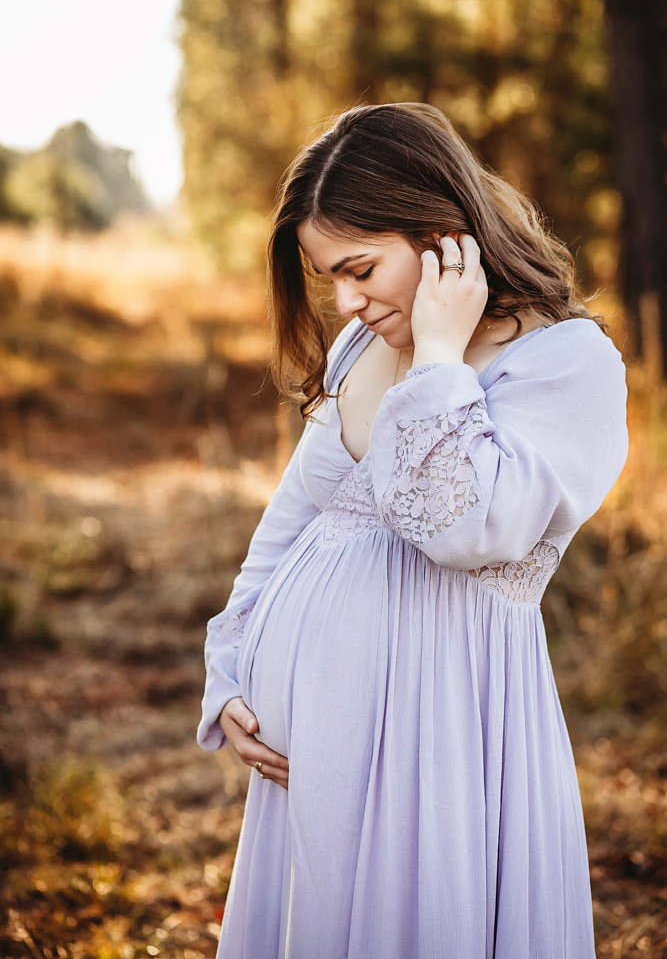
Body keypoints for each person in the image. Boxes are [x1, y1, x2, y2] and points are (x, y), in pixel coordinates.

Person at [197, 103, 628, 959]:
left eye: (360, 268)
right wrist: (231, 660)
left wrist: (437, 357)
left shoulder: (565, 364)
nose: (348, 303)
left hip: (447, 735)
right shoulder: (361, 348)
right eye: (329, 277)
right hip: (315, 759)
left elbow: (468, 528)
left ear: (442, 238)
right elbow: (293, 523)